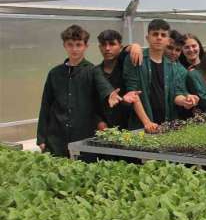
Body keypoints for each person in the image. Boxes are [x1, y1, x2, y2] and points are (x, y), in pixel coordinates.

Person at [37, 25, 134, 157]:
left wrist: (110, 94)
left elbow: (103, 85)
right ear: (64, 45)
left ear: (86, 46)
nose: (74, 49)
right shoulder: (54, 73)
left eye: (78, 45)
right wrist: (41, 138)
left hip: (83, 138)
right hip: (56, 139)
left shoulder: (93, 71)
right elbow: (45, 105)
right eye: (70, 45)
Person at [123, 19, 200, 132]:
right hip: (141, 126)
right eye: (155, 34)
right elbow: (133, 93)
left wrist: (186, 100)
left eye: (163, 35)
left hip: (166, 125)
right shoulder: (136, 58)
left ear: (168, 40)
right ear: (147, 37)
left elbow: (176, 94)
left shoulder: (172, 66)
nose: (159, 38)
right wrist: (147, 122)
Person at [95, 29, 134, 130]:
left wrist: (134, 46)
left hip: (130, 128)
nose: (107, 48)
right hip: (104, 131)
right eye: (103, 45)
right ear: (99, 48)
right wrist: (99, 122)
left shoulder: (127, 69)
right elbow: (90, 102)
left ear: (120, 47)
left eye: (112, 44)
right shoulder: (95, 72)